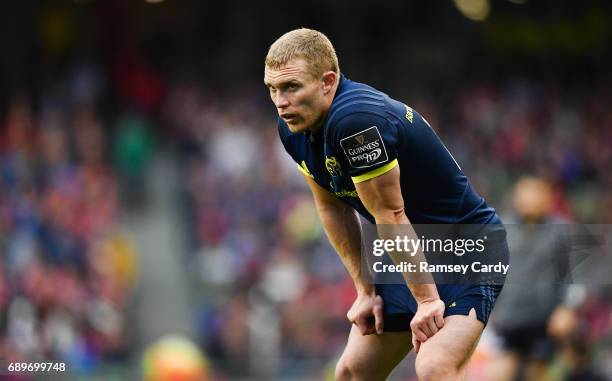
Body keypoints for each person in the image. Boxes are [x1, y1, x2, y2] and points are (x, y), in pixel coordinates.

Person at [264, 28, 507, 381]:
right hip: (407, 248)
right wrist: (365, 290)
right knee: (351, 371)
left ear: (327, 81)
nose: (280, 101)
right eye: (273, 89)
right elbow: (332, 207)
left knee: (434, 366)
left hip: (465, 246)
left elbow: (390, 214)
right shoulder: (292, 127)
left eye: (291, 87)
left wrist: (426, 301)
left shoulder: (356, 122)